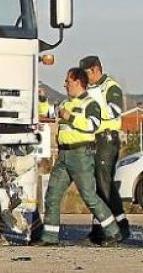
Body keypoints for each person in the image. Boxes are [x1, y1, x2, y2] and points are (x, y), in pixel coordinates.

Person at [38, 68, 122, 246]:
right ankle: (49, 237)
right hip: (63, 155)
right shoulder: (65, 103)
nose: (64, 84)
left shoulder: (90, 103)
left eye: (67, 81)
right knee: (52, 195)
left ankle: (113, 232)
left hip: (81, 155)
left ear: (77, 82)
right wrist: (43, 99)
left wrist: (69, 117)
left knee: (89, 196)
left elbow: (92, 125)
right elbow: (47, 114)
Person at [81, 55, 131, 241]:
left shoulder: (110, 87)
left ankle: (122, 225)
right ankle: (98, 229)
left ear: (95, 70)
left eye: (86, 74)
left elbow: (115, 110)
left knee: (104, 184)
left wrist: (93, 112)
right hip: (94, 140)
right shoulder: (91, 88)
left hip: (107, 139)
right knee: (97, 187)